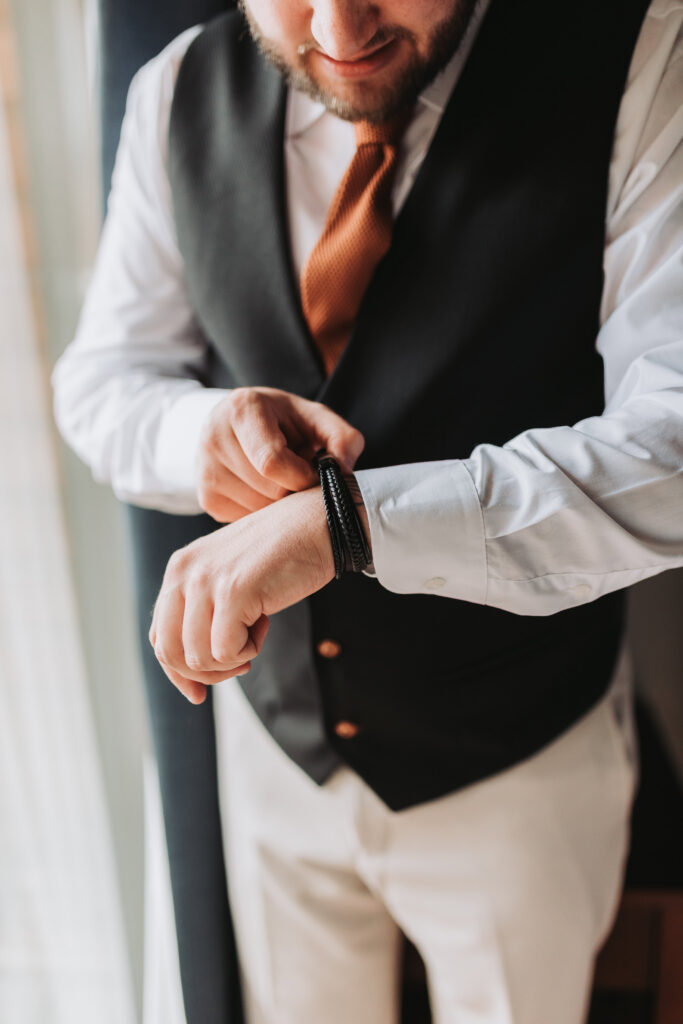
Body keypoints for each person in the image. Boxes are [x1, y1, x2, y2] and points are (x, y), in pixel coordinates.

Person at [54, 0, 683, 1021]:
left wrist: (352, 525)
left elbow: (671, 446)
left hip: (517, 764)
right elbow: (100, 380)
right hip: (273, 755)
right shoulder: (174, 90)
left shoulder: (639, 51)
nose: (341, 27)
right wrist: (197, 432)